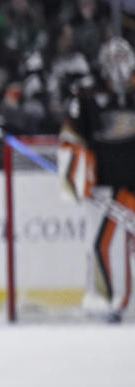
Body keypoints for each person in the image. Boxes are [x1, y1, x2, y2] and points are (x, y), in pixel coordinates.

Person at [58, 37, 135, 323]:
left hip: (132, 184)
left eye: (123, 61)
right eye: (113, 62)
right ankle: (109, 300)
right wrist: (75, 175)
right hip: (104, 187)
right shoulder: (87, 95)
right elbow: (71, 137)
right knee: (103, 244)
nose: (119, 68)